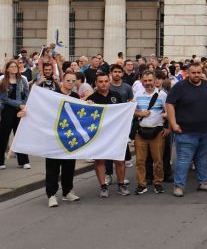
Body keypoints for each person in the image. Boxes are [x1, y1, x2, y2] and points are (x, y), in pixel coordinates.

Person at [23, 70, 81, 206]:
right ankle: (51, 195)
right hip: (53, 139)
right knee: (52, 169)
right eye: (68, 80)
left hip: (69, 139)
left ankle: (67, 192)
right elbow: (38, 107)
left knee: (69, 168)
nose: (71, 83)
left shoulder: (76, 96)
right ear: (62, 80)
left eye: (73, 81)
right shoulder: (52, 94)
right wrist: (25, 112)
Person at [166, 61, 207, 197]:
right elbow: (169, 104)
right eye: (193, 73)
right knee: (184, 160)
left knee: (202, 158)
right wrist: (173, 123)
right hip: (186, 131)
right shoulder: (180, 87)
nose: (196, 75)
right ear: (188, 73)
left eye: (198, 72)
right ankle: (179, 186)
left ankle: (203, 182)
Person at [88, 72, 129, 197]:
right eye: (100, 81)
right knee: (100, 161)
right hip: (99, 135)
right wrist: (88, 106)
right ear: (96, 83)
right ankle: (103, 187)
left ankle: (121, 184)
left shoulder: (116, 96)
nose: (103, 84)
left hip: (116, 133)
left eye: (106, 81)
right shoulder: (91, 99)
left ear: (109, 82)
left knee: (120, 160)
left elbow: (123, 112)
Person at [132, 70, 168, 195]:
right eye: (145, 81)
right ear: (142, 81)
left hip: (157, 131)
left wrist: (168, 127)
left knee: (158, 160)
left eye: (150, 80)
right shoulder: (137, 94)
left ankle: (158, 183)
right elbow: (131, 111)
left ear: (154, 80)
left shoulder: (162, 95)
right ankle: (141, 184)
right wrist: (140, 113)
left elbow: (169, 111)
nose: (148, 83)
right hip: (140, 131)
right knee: (140, 161)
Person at [0, 60, 31, 169]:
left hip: (20, 110)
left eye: (15, 66)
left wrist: (24, 105)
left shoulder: (23, 80)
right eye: (12, 66)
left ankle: (24, 161)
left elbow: (27, 94)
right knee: (4, 135)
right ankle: (1, 162)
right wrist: (19, 104)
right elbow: (3, 98)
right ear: (7, 69)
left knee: (20, 135)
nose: (14, 68)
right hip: (7, 110)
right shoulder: (3, 81)